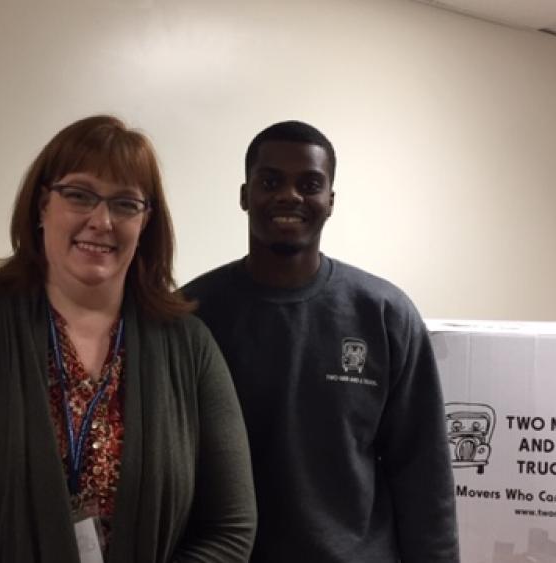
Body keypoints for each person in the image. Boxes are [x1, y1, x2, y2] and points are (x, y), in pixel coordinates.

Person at [0, 115, 256, 563]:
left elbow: (229, 529)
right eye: (80, 195)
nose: (102, 220)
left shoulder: (189, 346)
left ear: (146, 223)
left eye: (125, 204)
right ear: (42, 205)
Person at [183, 120, 459, 562]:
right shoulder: (192, 314)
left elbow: (423, 473)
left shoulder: (385, 314)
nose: (290, 195)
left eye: (309, 184)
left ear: (330, 201)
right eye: (271, 181)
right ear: (244, 195)